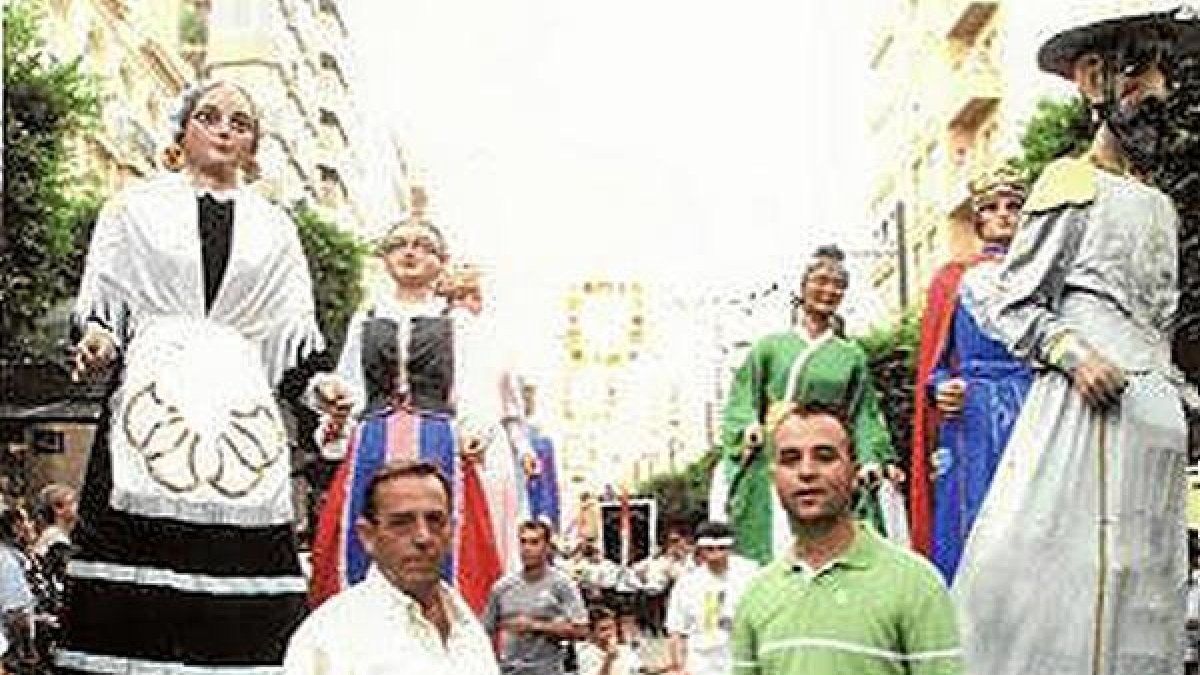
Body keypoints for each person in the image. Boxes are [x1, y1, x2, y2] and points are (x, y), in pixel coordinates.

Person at [62, 80, 343, 674]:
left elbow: (293, 351)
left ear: (253, 144)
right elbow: (103, 310)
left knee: (242, 579)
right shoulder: (132, 208)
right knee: (134, 555)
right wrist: (97, 339)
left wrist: (324, 391)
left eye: (240, 123)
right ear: (182, 131)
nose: (223, 129)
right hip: (150, 399)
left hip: (242, 414)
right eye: (209, 116)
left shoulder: (278, 230)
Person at [953, 6, 1200, 673]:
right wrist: (1075, 354)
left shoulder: (1162, 202)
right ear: (1096, 79)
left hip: (1154, 428)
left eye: (1162, 72)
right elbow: (1015, 301)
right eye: (1144, 70)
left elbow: (1157, 321)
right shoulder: (1069, 181)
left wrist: (1181, 393)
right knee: (1066, 586)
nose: (1160, 91)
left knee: (1147, 585)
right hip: (1084, 419)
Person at [309, 218, 513, 611]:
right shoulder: (365, 320)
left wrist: (474, 432)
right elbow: (350, 384)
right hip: (372, 441)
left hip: (439, 443)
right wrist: (335, 406)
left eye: (423, 245)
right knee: (364, 533)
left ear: (441, 261)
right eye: (398, 244)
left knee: (440, 540)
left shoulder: (458, 324)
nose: (410, 251)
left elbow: (474, 388)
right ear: (385, 258)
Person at [731, 404, 961, 675]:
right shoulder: (756, 596)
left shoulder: (917, 584)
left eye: (825, 456)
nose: (806, 471)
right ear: (774, 477)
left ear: (854, 473)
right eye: (791, 459)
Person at [713, 245, 901, 564]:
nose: (828, 290)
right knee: (777, 544)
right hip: (779, 450)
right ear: (802, 286)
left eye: (838, 285)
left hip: (827, 450)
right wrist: (749, 427)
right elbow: (742, 397)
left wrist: (872, 457)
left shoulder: (850, 354)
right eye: (821, 281)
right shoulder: (770, 347)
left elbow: (864, 414)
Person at [909, 167, 1033, 581]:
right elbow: (936, 361)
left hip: (1032, 403)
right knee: (969, 515)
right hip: (971, 413)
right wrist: (941, 387)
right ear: (978, 219)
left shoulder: (1042, 275)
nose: (1004, 216)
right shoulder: (952, 279)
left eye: (1014, 207)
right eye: (993, 208)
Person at [283, 460, 499, 674]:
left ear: (451, 531)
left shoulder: (466, 623)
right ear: (368, 536)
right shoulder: (330, 636)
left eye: (435, 520)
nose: (423, 537)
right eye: (402, 523)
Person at [482, 519, 589, 675]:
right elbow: (484, 632)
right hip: (509, 670)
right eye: (523, 542)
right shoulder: (502, 587)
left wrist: (535, 626)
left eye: (534, 542)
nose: (527, 548)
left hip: (548, 670)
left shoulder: (562, 584)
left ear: (547, 547)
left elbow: (582, 630)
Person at [664, 521, 758, 675]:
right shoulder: (687, 583)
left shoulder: (750, 574)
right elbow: (676, 629)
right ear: (700, 549)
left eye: (722, 548)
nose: (716, 554)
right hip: (700, 663)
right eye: (710, 549)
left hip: (739, 659)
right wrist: (679, 667)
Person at [575, 605, 644, 675]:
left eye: (612, 627)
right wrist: (609, 659)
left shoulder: (626, 650)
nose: (609, 633)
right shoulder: (583, 653)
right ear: (592, 633)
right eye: (603, 629)